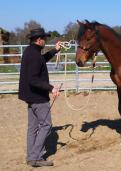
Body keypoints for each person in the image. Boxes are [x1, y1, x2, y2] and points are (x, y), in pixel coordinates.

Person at [18, 28, 61, 167]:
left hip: (31, 97)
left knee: (33, 127)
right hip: (38, 98)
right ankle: (36, 157)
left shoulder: (30, 52)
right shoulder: (34, 55)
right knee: (46, 126)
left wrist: (55, 50)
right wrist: (51, 88)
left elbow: (41, 60)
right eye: (44, 38)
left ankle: (31, 156)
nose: (45, 41)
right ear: (39, 40)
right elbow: (33, 79)